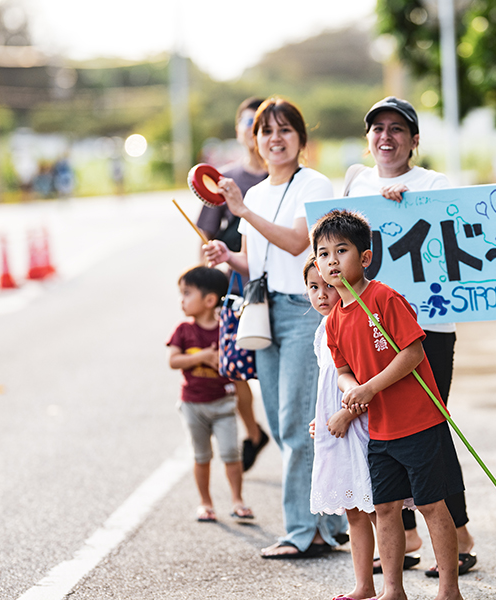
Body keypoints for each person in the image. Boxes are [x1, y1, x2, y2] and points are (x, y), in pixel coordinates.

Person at [204, 97, 347, 558]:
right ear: (255, 140)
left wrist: (242, 212)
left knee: (295, 422)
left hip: (304, 310)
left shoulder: (315, 183)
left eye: (286, 130)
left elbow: (295, 244)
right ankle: (326, 524)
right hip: (262, 310)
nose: (275, 138)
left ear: (301, 139)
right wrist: (228, 257)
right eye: (266, 131)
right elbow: (255, 260)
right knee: (291, 421)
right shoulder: (260, 193)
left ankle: (300, 530)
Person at [343, 96, 476, 577]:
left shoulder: (433, 184)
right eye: (377, 128)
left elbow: (453, 233)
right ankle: (409, 536)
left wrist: (412, 204)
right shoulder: (356, 182)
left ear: (414, 141)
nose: (386, 137)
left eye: (397, 129)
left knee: (429, 430)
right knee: (382, 430)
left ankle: (458, 536)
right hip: (369, 330)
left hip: (427, 330)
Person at [314, 209, 465, 600]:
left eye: (341, 251)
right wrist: (352, 388)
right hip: (378, 431)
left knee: (432, 505)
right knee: (385, 509)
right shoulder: (334, 321)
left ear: (364, 257)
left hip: (418, 422)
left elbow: (412, 353)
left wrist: (368, 389)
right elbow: (343, 368)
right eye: (323, 253)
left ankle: (449, 590)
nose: (331, 261)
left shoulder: (384, 298)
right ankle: (392, 591)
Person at [196, 97, 270, 473]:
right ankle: (254, 432)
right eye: (248, 121)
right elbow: (204, 237)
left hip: (280, 291)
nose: (255, 129)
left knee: (274, 369)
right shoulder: (224, 180)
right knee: (234, 368)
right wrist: (206, 292)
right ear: (240, 130)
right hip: (235, 291)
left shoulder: (290, 176)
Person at [305, 255, 378, 600]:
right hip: (335, 429)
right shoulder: (322, 330)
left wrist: (345, 415)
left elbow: (361, 380)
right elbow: (328, 383)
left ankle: (391, 580)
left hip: (357, 425)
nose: (321, 295)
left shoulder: (350, 322)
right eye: (312, 288)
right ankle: (364, 585)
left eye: (326, 287)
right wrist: (323, 416)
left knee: (378, 506)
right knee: (353, 508)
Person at [167, 266, 253, 523]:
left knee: (231, 454)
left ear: (209, 300)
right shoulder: (183, 330)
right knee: (201, 456)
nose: (182, 300)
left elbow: (240, 355)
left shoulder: (226, 328)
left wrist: (225, 359)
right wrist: (204, 357)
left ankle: (238, 500)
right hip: (192, 404)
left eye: (187, 293)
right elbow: (173, 361)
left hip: (224, 403)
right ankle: (205, 502)